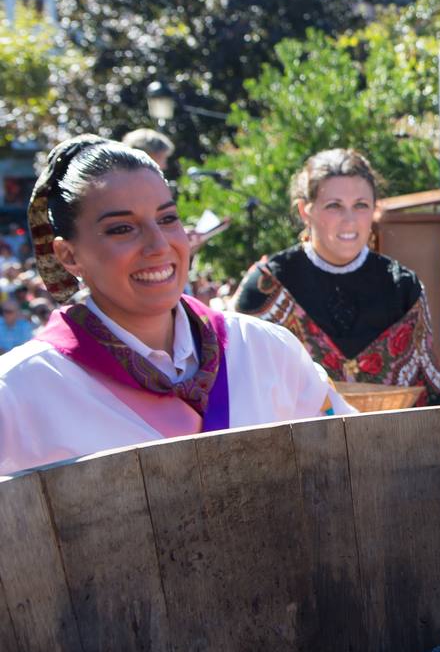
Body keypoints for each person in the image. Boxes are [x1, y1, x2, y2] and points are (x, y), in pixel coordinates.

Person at [0, 136, 350, 476]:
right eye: (122, 228)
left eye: (168, 219)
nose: (158, 245)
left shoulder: (263, 349)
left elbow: (350, 461)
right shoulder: (20, 391)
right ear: (68, 255)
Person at [233, 149, 440, 405]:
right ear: (305, 210)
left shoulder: (403, 287)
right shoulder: (267, 288)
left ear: (374, 210)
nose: (350, 220)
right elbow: (239, 384)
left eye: (360, 205)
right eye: (334, 206)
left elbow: (431, 393)